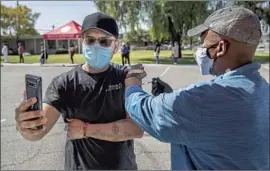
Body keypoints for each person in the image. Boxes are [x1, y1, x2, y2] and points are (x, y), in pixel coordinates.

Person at [124, 6, 269, 170]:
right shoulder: (263, 90)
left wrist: (131, 83)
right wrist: (171, 99)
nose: (200, 52)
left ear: (221, 48)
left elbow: (145, 111)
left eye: (205, 45)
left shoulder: (205, 98)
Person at [15, 12, 143, 170]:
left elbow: (137, 128)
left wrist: (86, 130)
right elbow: (38, 131)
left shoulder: (126, 77)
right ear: (83, 43)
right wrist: (26, 125)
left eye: (104, 41)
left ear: (115, 46)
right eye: (90, 40)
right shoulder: (65, 83)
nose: (96, 46)